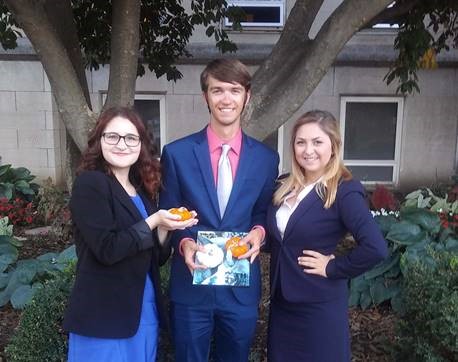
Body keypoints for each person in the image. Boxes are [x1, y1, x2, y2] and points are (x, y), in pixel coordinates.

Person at [159, 58, 279, 361]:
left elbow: (262, 211)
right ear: (205, 97)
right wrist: (184, 242)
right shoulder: (177, 154)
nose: (226, 99)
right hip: (191, 287)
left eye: (234, 90)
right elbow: (170, 212)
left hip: (240, 289)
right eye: (217, 90)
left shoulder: (266, 159)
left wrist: (259, 232)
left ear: (246, 97)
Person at [63, 106, 198, 362]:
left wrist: (163, 230)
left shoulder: (141, 191)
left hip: (143, 312)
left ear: (141, 145)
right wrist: (154, 221)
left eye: (130, 138)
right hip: (104, 317)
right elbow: (107, 249)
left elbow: (155, 258)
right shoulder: (91, 184)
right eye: (112, 136)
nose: (121, 144)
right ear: (99, 141)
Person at [265, 110, 388, 362]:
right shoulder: (282, 184)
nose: (308, 150)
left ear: (333, 146)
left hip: (318, 307)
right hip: (282, 305)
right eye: (301, 142)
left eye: (317, 142)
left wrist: (333, 267)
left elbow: (375, 247)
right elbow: (280, 238)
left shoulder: (344, 190)